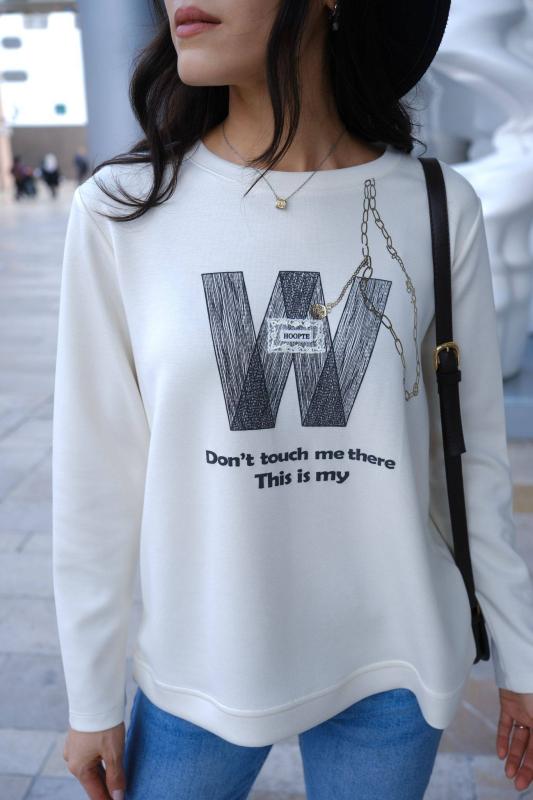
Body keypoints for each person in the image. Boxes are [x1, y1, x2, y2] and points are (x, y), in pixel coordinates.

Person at [52, 1, 533, 798]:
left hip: (395, 661)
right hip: (202, 668)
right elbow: (94, 480)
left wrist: (519, 658)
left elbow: (472, 458)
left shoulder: (435, 204)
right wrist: (91, 695)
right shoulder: (122, 210)